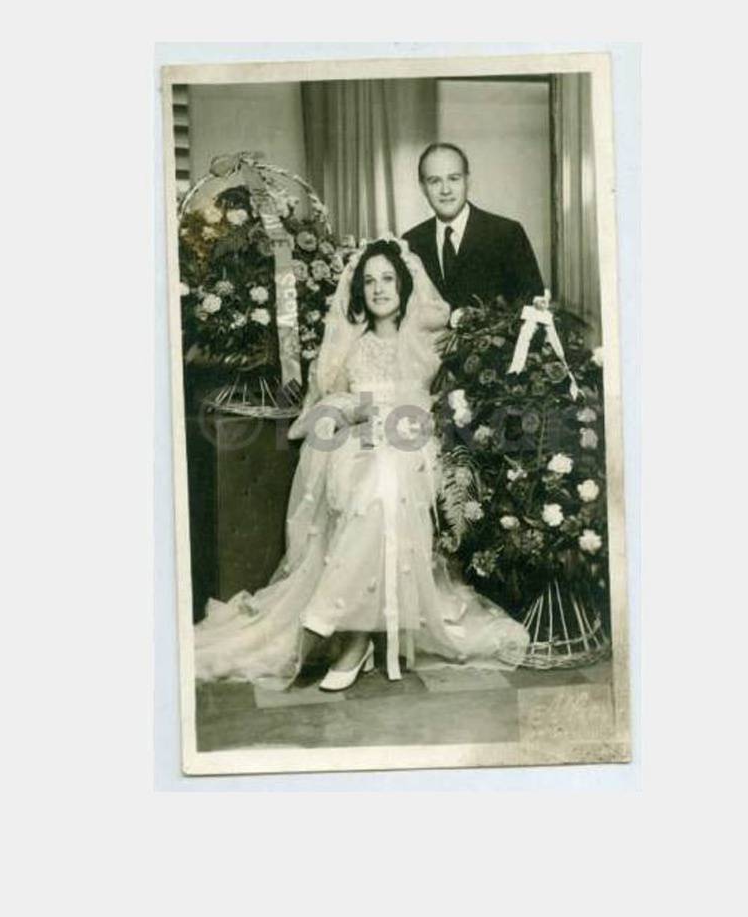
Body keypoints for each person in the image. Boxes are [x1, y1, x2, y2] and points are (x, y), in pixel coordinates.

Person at [195, 238, 528, 691]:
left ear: (404, 285)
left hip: (413, 443)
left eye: (388, 279)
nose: (379, 289)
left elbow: (438, 404)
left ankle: (346, 634)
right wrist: (347, 411)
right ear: (358, 291)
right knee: (373, 485)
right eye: (369, 281)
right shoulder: (350, 346)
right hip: (361, 442)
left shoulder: (427, 343)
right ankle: (361, 635)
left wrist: (405, 419)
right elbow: (329, 403)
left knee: (387, 482)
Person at [402, 142, 546, 309]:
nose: (445, 190)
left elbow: (535, 310)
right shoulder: (411, 243)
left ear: (467, 181)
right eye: (435, 181)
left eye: (454, 178)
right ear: (423, 188)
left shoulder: (507, 235)